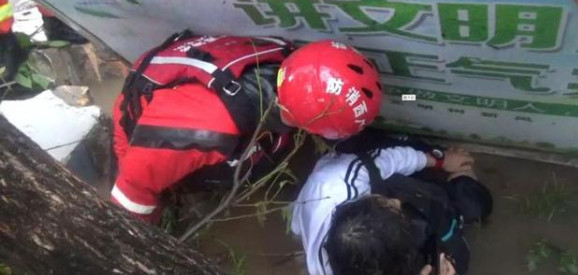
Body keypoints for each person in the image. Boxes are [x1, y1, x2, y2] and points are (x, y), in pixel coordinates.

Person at [110, 32, 384, 223]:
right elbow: (130, 190)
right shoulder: (206, 130)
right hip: (144, 126)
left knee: (260, 156)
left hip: (185, 96)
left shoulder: (287, 60)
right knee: (147, 201)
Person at [291, 129, 493, 275]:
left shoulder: (343, 181)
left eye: (384, 204)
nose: (396, 202)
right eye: (394, 211)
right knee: (472, 204)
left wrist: (439, 159)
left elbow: (390, 159)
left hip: (352, 164)